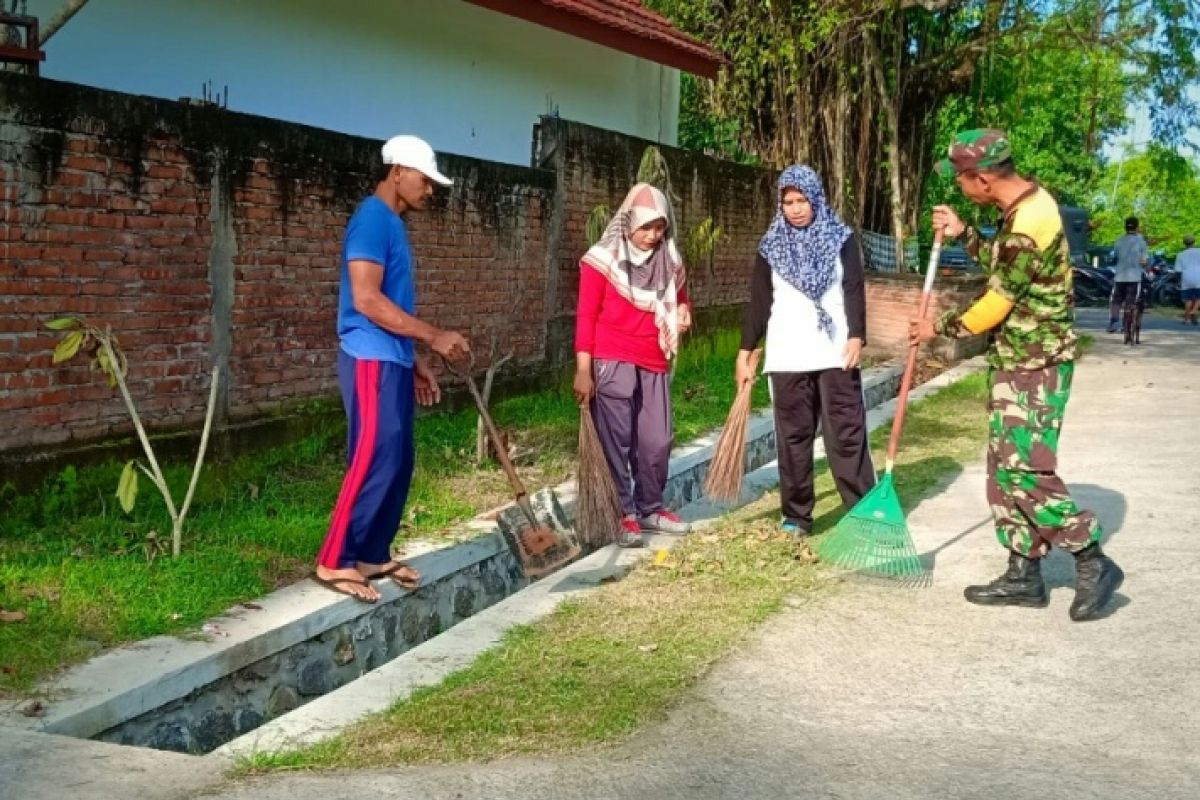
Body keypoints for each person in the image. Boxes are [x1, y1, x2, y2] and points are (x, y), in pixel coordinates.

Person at [910, 128, 1123, 622]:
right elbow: (1007, 269)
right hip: (1015, 361)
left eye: (961, 180)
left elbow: (993, 305)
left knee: (1025, 471)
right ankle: (1024, 573)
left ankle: (1091, 558)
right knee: (1001, 472)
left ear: (982, 179)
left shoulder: (1031, 221)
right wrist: (966, 232)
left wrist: (936, 328)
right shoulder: (1021, 210)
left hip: (1036, 366)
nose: (959, 187)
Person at [315, 135, 471, 602]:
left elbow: (392, 304)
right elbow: (365, 300)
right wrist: (433, 336)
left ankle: (371, 552)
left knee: (398, 460)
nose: (430, 190)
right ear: (398, 171)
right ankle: (334, 559)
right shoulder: (371, 220)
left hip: (394, 358)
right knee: (370, 456)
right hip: (368, 357)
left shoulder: (393, 224)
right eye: (426, 180)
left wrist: (415, 359)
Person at [737, 165, 874, 538]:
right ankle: (797, 516)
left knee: (845, 434)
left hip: (835, 353)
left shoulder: (841, 239)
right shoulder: (770, 248)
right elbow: (759, 304)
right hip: (787, 354)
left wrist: (857, 336)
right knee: (793, 437)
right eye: (788, 202)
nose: (795, 209)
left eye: (802, 201)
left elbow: (853, 289)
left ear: (816, 198)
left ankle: (864, 509)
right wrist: (746, 350)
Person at [573, 183, 693, 548]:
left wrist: (683, 314)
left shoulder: (668, 259)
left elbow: (682, 300)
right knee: (616, 439)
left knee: (657, 439)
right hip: (611, 357)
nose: (653, 236)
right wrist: (583, 369)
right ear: (627, 224)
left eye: (659, 227)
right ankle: (622, 513)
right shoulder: (602, 259)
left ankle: (651, 507)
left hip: (653, 357)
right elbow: (586, 315)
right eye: (646, 227)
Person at [1108, 216, 1149, 333]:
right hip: (1135, 277)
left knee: (1116, 300)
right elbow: (1144, 261)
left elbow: (1113, 257)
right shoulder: (1141, 242)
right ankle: (1125, 325)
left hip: (1119, 276)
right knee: (1130, 301)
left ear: (1125, 227)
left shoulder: (1119, 240)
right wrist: (1144, 266)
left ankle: (1113, 323)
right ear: (1137, 227)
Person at [1176, 234, 1200, 325]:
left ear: (1184, 243)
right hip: (1199, 276)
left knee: (1188, 299)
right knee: (1198, 297)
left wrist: (1178, 281)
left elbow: (1178, 270)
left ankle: (1187, 319)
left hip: (1186, 277)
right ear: (1194, 242)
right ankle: (1193, 311)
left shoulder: (1180, 254)